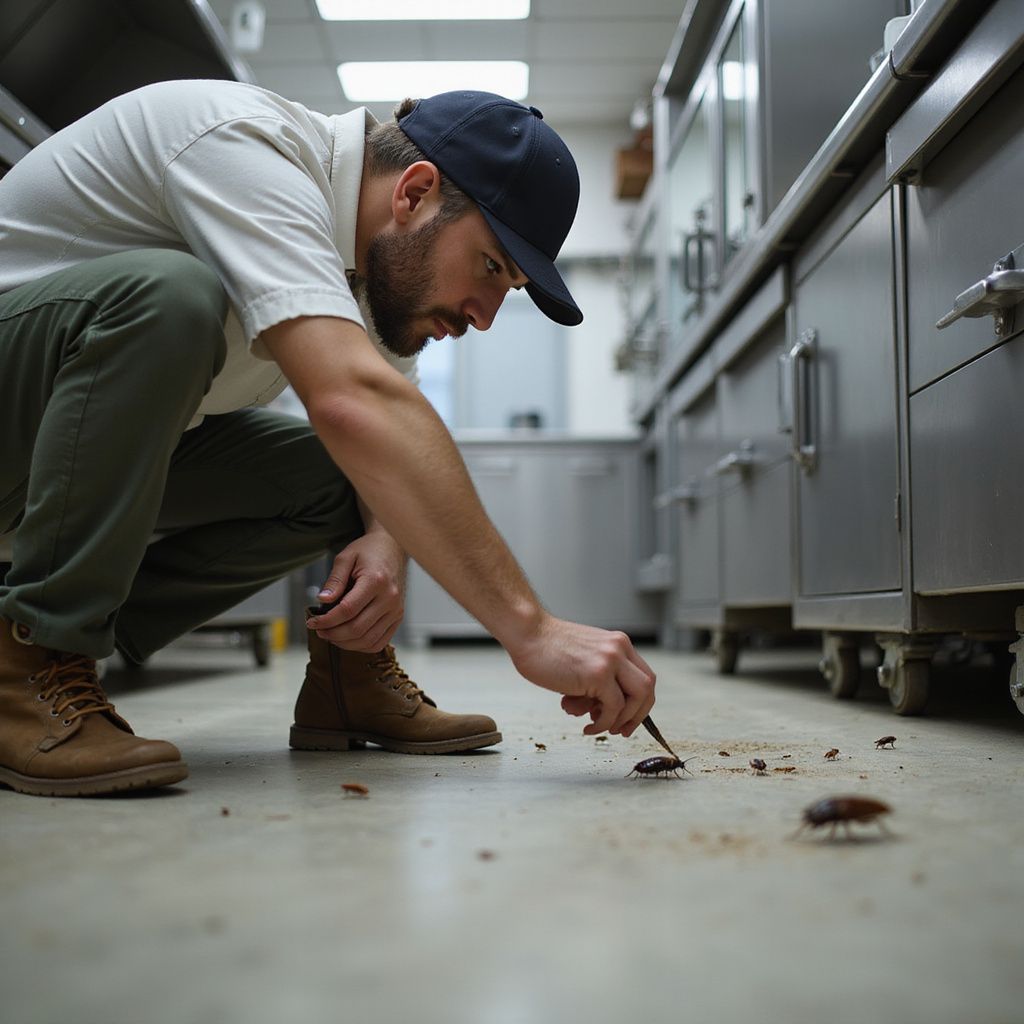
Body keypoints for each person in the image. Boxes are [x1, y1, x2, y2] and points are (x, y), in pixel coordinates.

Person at [0, 79, 657, 798]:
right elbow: (353, 402)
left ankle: (347, 686)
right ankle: (29, 655)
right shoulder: (247, 146)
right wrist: (530, 630)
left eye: (512, 288)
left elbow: (385, 437)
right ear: (414, 192)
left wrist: (382, 545)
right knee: (170, 298)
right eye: (492, 268)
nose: (486, 314)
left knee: (347, 477)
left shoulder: (373, 278)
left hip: (48, 463)